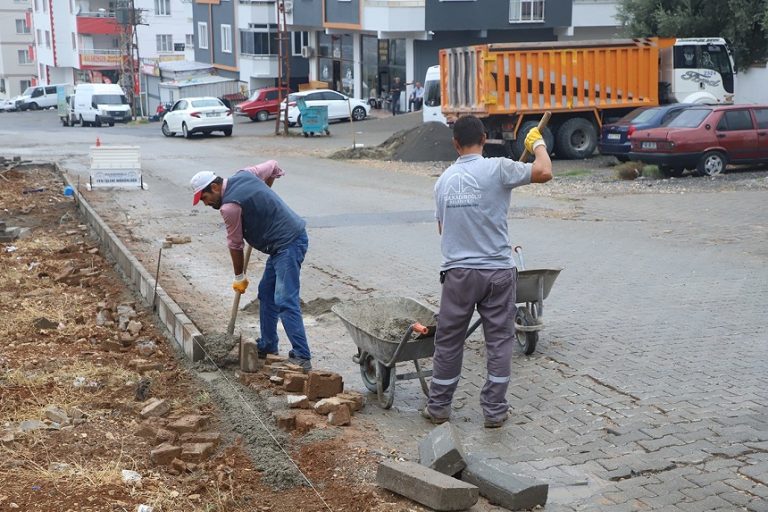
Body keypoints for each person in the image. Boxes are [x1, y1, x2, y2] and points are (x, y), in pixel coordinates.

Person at [423, 115, 552, 428]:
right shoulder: (499, 168)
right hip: (496, 273)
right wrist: (537, 143)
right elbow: (544, 171)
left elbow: (443, 229)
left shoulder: (443, 182)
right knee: (498, 343)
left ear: (455, 144)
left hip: (458, 275)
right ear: (484, 139)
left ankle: (439, 407)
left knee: (449, 342)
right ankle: (494, 411)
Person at [190, 161, 313, 370]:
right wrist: (261, 196)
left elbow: (235, 244)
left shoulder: (229, 207)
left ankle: (302, 355)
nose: (205, 203)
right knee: (266, 293)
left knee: (284, 299)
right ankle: (268, 345)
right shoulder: (245, 174)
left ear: (215, 187)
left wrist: (239, 276)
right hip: (278, 246)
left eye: (205, 197)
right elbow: (272, 167)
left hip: (289, 243)